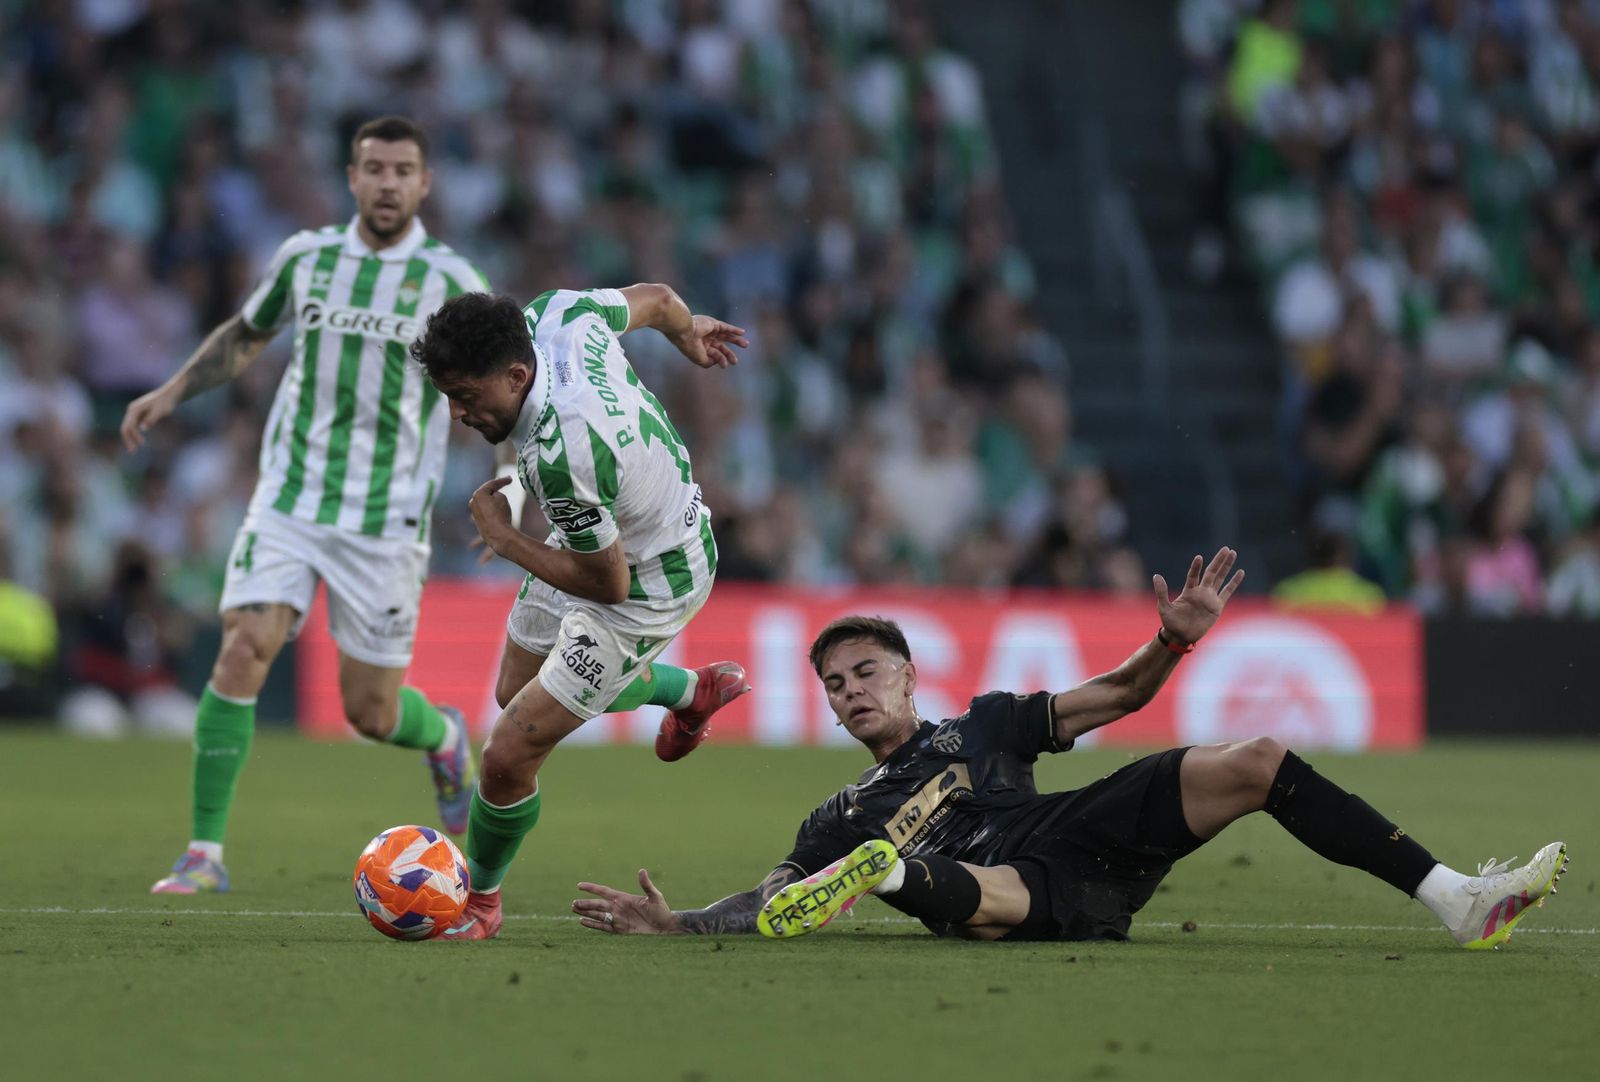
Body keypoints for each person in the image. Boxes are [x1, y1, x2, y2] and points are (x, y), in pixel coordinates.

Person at [572, 548, 1567, 949]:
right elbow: (770, 895)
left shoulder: (987, 723)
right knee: (979, 894)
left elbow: (1124, 693)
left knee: (1257, 758)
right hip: (1006, 891)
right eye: (834, 685)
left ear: (910, 676)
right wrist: (684, 922)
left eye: (865, 672)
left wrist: (1173, 638)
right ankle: (890, 874)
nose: (850, 692)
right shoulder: (834, 813)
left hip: (1072, 831)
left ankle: (1456, 897)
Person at [122, 116, 488, 894]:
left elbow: (500, 383)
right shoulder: (306, 257)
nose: (387, 183)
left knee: (371, 713)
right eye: (374, 168)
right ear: (351, 178)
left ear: (425, 184)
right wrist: (172, 391)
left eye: (403, 171)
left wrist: (513, 482)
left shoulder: (453, 280)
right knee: (243, 647)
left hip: (386, 520)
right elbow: (245, 335)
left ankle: (443, 735)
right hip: (289, 496)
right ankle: (203, 854)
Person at [407, 284, 754, 940]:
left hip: (651, 580)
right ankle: (691, 691)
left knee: (508, 756)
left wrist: (505, 538)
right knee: (515, 692)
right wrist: (687, 332)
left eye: (466, 396)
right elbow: (657, 299)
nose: (455, 413)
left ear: (515, 376)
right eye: (447, 395)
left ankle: (480, 903)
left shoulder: (564, 456)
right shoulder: (556, 314)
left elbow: (608, 584)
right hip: (604, 532)